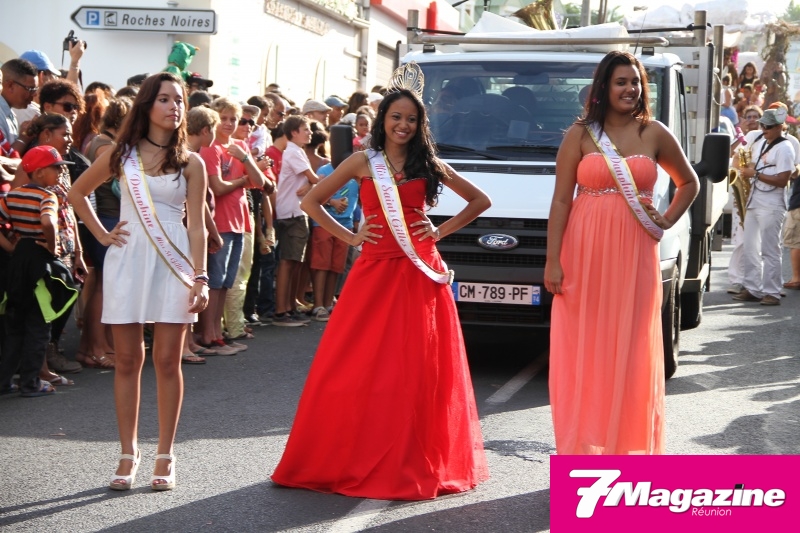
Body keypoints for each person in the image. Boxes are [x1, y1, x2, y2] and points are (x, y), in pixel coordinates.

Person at [272, 64, 491, 499]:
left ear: (420, 123)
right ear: (382, 119)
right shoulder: (362, 161)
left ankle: (410, 456)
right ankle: (351, 453)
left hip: (419, 270)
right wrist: (351, 236)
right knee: (355, 363)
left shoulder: (428, 163)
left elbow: (479, 200)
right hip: (374, 269)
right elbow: (312, 201)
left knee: (416, 367)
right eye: (396, 117)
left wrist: (439, 231)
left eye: (411, 118)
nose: (403, 125)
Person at [544, 51, 699, 454]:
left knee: (630, 349)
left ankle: (625, 446)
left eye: (635, 82)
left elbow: (689, 183)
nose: (630, 89)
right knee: (586, 348)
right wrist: (553, 260)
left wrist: (667, 219)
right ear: (603, 87)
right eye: (621, 82)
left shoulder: (655, 133)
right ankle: (586, 443)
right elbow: (560, 201)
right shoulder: (581, 134)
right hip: (584, 254)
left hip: (635, 254)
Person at [68, 72, 209, 490]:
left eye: (179, 100)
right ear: (147, 105)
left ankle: (165, 453)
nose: (174, 107)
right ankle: (128, 452)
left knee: (167, 360)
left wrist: (200, 276)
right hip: (128, 259)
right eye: (164, 99)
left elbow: (197, 226)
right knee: (128, 360)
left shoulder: (192, 162)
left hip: (174, 261)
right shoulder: (120, 155)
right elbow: (77, 194)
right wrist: (101, 235)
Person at [0, 146, 77, 397]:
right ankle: (31, 384)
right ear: (40, 172)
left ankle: (4, 382)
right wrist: (53, 245)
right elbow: (47, 221)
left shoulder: (12, 196)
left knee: (15, 326)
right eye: (56, 167)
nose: (60, 171)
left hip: (18, 262)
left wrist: (10, 246)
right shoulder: (48, 196)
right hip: (39, 265)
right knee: (39, 325)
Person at [732, 107, 795, 306]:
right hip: (754, 199)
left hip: (772, 203)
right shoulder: (760, 142)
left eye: (768, 126)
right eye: (763, 125)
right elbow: (751, 164)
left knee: (770, 249)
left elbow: (783, 180)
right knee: (750, 247)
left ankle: (772, 292)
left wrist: (756, 174)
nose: (764, 129)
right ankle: (752, 288)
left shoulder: (785, 148)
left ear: (779, 127)